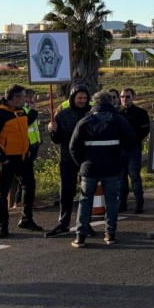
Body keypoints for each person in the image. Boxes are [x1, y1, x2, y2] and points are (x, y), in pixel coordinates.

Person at [69, 91, 136, 247]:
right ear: (109, 102)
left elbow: (73, 147)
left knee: (85, 201)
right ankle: (110, 234)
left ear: (94, 102)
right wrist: (120, 156)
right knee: (112, 201)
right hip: (112, 168)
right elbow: (132, 141)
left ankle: (80, 237)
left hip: (89, 168)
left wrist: (82, 163)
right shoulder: (119, 120)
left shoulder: (85, 121)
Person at [0, 85, 41, 238]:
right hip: (5, 161)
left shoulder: (19, 111)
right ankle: (3, 227)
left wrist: (33, 111)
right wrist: (2, 158)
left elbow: (25, 123)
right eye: (24, 97)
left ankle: (27, 220)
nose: (26, 99)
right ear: (15, 98)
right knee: (2, 193)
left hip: (23, 158)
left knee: (29, 186)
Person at [45, 84, 92, 238]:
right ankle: (63, 223)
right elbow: (57, 140)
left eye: (85, 98)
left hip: (87, 159)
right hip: (67, 159)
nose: (82, 101)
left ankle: (86, 223)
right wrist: (53, 131)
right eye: (79, 98)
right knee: (66, 192)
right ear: (73, 97)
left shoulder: (92, 113)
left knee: (87, 192)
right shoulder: (63, 115)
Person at [118, 88, 150, 214]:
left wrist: (134, 139)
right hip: (120, 150)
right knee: (121, 178)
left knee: (134, 177)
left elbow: (145, 130)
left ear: (133, 97)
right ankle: (122, 203)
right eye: (122, 96)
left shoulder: (140, 113)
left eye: (128, 97)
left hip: (133, 149)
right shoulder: (117, 113)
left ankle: (139, 203)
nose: (124, 99)